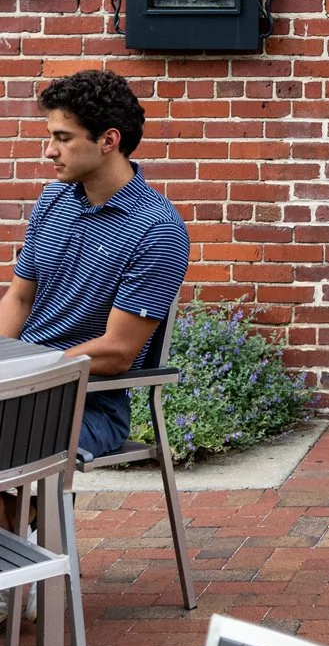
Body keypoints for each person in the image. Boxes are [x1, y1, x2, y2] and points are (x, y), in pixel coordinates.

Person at [0, 70, 190, 465]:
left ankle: (29, 523)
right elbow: (19, 296)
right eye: (51, 136)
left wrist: (25, 374)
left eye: (63, 138)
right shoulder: (54, 199)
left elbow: (117, 352)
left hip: (88, 406)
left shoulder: (157, 229)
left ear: (108, 140)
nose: (49, 151)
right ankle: (29, 525)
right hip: (17, 389)